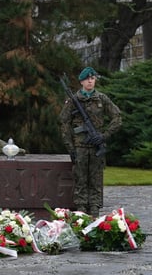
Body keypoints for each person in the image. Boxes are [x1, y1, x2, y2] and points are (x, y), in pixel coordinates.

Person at [59, 67, 122, 216]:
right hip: (79, 147)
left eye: (92, 78)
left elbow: (117, 117)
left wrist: (104, 136)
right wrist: (70, 146)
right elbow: (64, 122)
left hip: (96, 147)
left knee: (96, 181)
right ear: (81, 81)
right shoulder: (74, 100)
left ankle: (95, 211)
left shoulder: (102, 99)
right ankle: (81, 212)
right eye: (87, 79)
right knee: (80, 180)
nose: (90, 81)